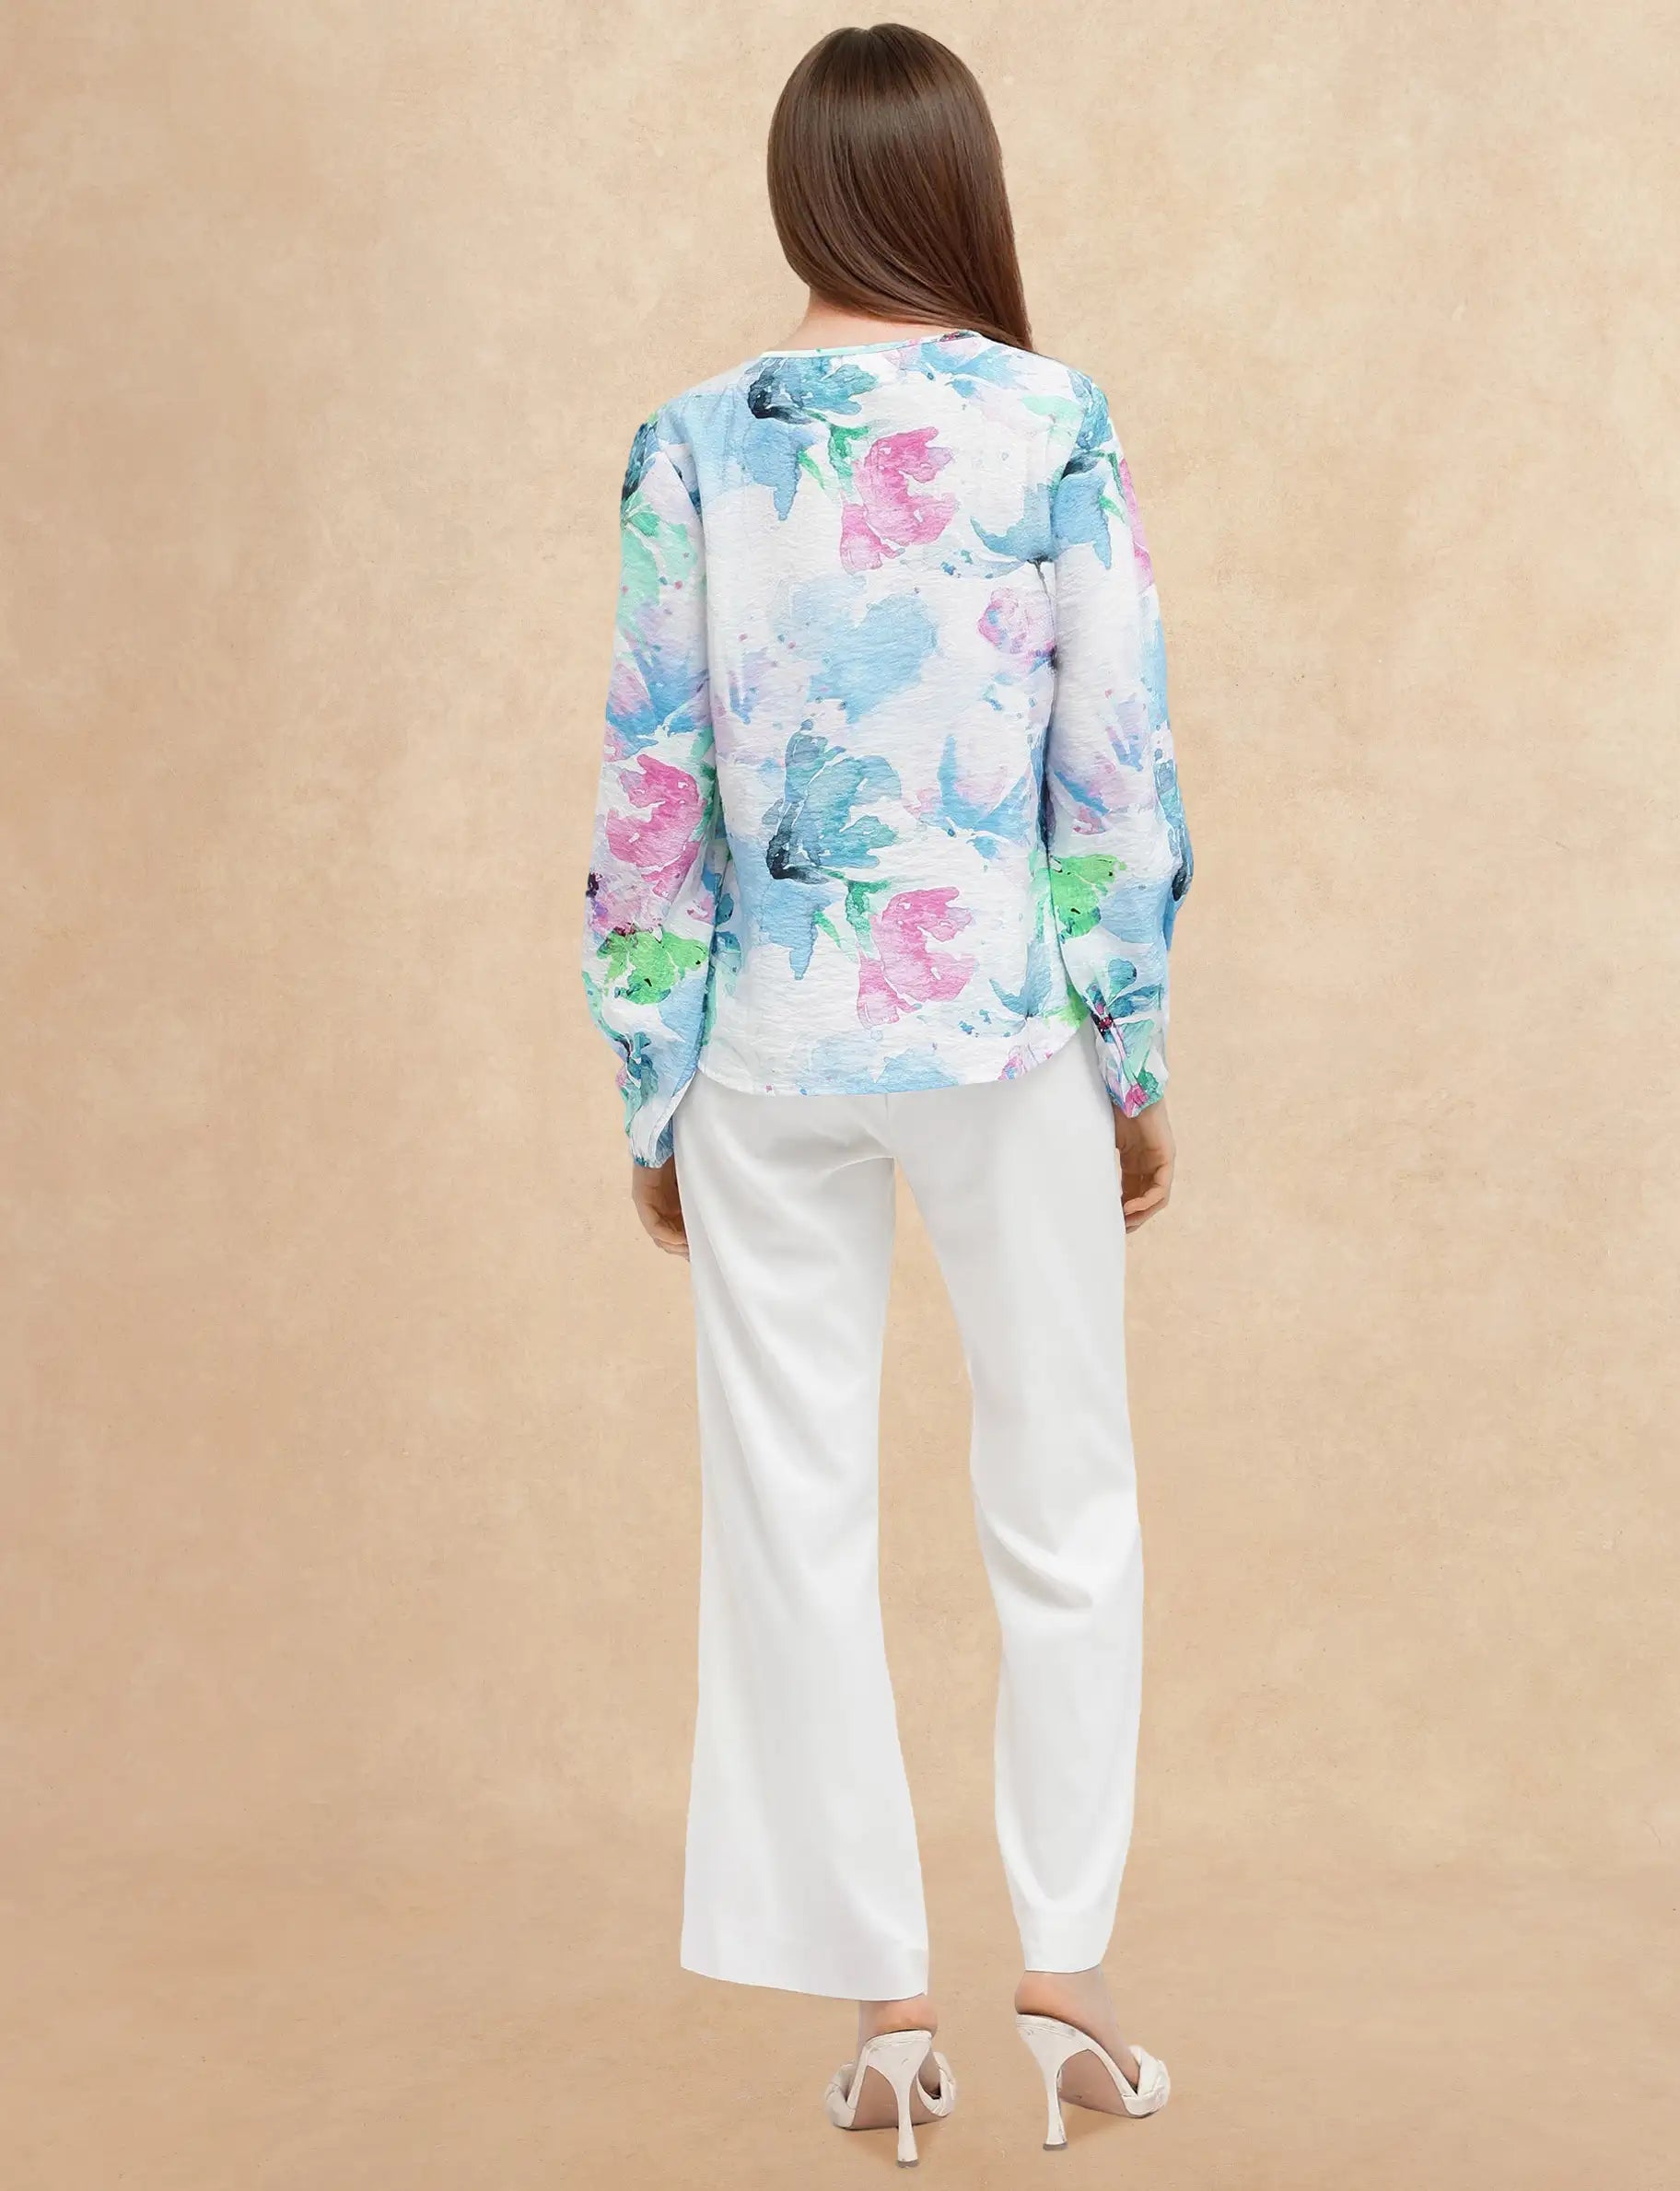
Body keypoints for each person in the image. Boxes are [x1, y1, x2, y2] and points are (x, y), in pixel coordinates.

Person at [580, 21, 1192, 2162]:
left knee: (793, 1511)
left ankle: (887, 2019)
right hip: (1007, 1023)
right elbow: (1115, 761)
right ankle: (1068, 1983)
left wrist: (651, 1075)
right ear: (958, 190)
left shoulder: (687, 443)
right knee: (1065, 1493)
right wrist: (1131, 1044)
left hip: (764, 1042)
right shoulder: (1051, 420)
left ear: (800, 192)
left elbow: (651, 786)